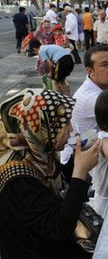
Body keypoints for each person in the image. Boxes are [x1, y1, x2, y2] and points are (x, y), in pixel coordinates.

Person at [0, 88, 100, 259]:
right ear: (39, 126)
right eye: (63, 124)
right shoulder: (16, 177)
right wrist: (80, 173)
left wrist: (76, 161)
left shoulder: (37, 152)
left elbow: (56, 181)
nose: (69, 130)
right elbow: (56, 228)